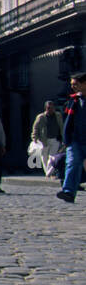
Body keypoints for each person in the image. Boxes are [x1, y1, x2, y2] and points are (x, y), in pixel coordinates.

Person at [58, 72, 86, 203]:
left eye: (76, 84)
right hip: (75, 139)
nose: (73, 87)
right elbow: (68, 120)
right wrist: (66, 139)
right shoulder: (73, 100)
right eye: (72, 84)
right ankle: (68, 191)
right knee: (73, 163)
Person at [31, 100, 64, 178]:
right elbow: (35, 127)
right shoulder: (41, 117)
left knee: (52, 157)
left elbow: (61, 126)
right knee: (44, 157)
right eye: (49, 108)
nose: (51, 109)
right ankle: (48, 172)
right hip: (44, 140)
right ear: (46, 108)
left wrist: (63, 137)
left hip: (55, 139)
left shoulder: (58, 115)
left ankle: (49, 173)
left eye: (52, 108)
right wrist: (34, 138)